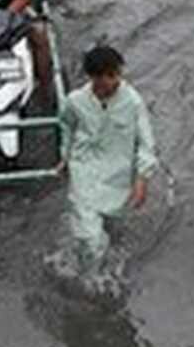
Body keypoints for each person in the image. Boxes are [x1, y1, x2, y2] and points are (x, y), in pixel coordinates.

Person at [56, 46, 157, 276]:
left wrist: (142, 179)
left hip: (117, 174)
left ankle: (96, 262)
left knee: (111, 224)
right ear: (92, 77)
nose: (112, 81)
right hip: (84, 171)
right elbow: (67, 127)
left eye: (115, 74)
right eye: (106, 76)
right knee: (91, 237)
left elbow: (145, 142)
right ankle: (91, 277)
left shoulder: (132, 102)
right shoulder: (75, 101)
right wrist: (65, 157)